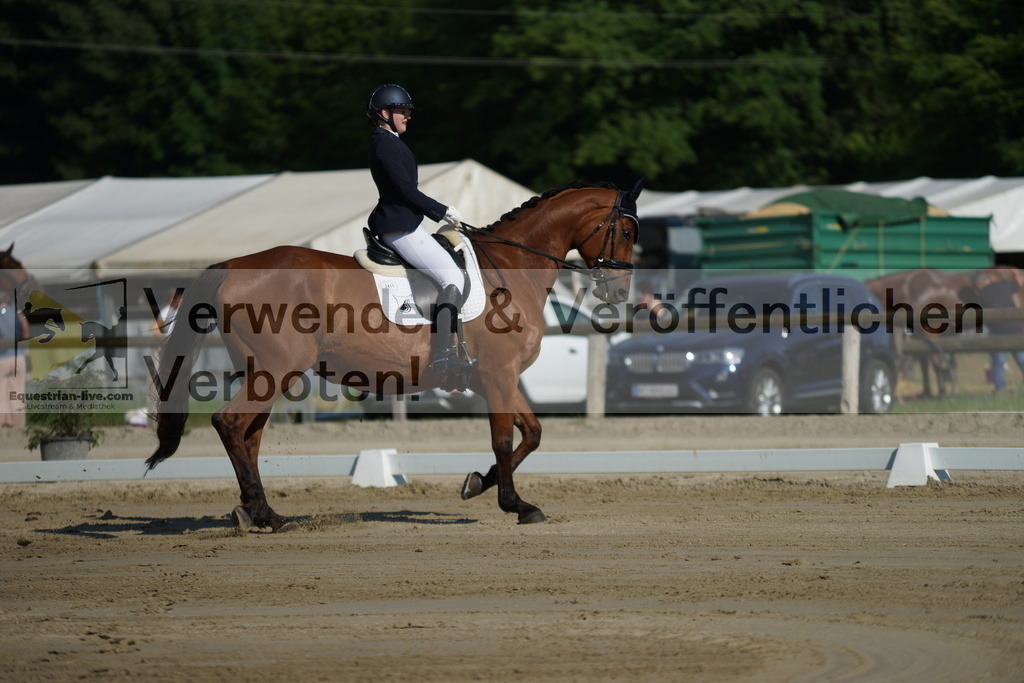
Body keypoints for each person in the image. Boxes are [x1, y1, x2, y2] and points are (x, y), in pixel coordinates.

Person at [365, 83, 475, 382]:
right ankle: (443, 356)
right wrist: (442, 211)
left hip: (404, 223)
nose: (407, 117)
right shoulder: (385, 143)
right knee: (452, 276)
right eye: (402, 111)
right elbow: (404, 190)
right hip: (400, 227)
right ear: (384, 113)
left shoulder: (388, 140)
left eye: (407, 112)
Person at [971, 270, 1024, 392]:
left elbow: (976, 316)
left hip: (998, 333)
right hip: (1016, 329)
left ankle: (1001, 389)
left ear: (979, 284)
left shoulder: (981, 295)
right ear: (988, 280)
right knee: (1022, 359)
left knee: (998, 362)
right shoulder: (1003, 285)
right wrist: (1016, 273)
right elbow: (1019, 283)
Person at [0, 290, 29, 426]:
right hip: (18, 358)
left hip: (2, 358)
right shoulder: (17, 313)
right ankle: (18, 424)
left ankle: (2, 422)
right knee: (17, 392)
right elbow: (26, 331)